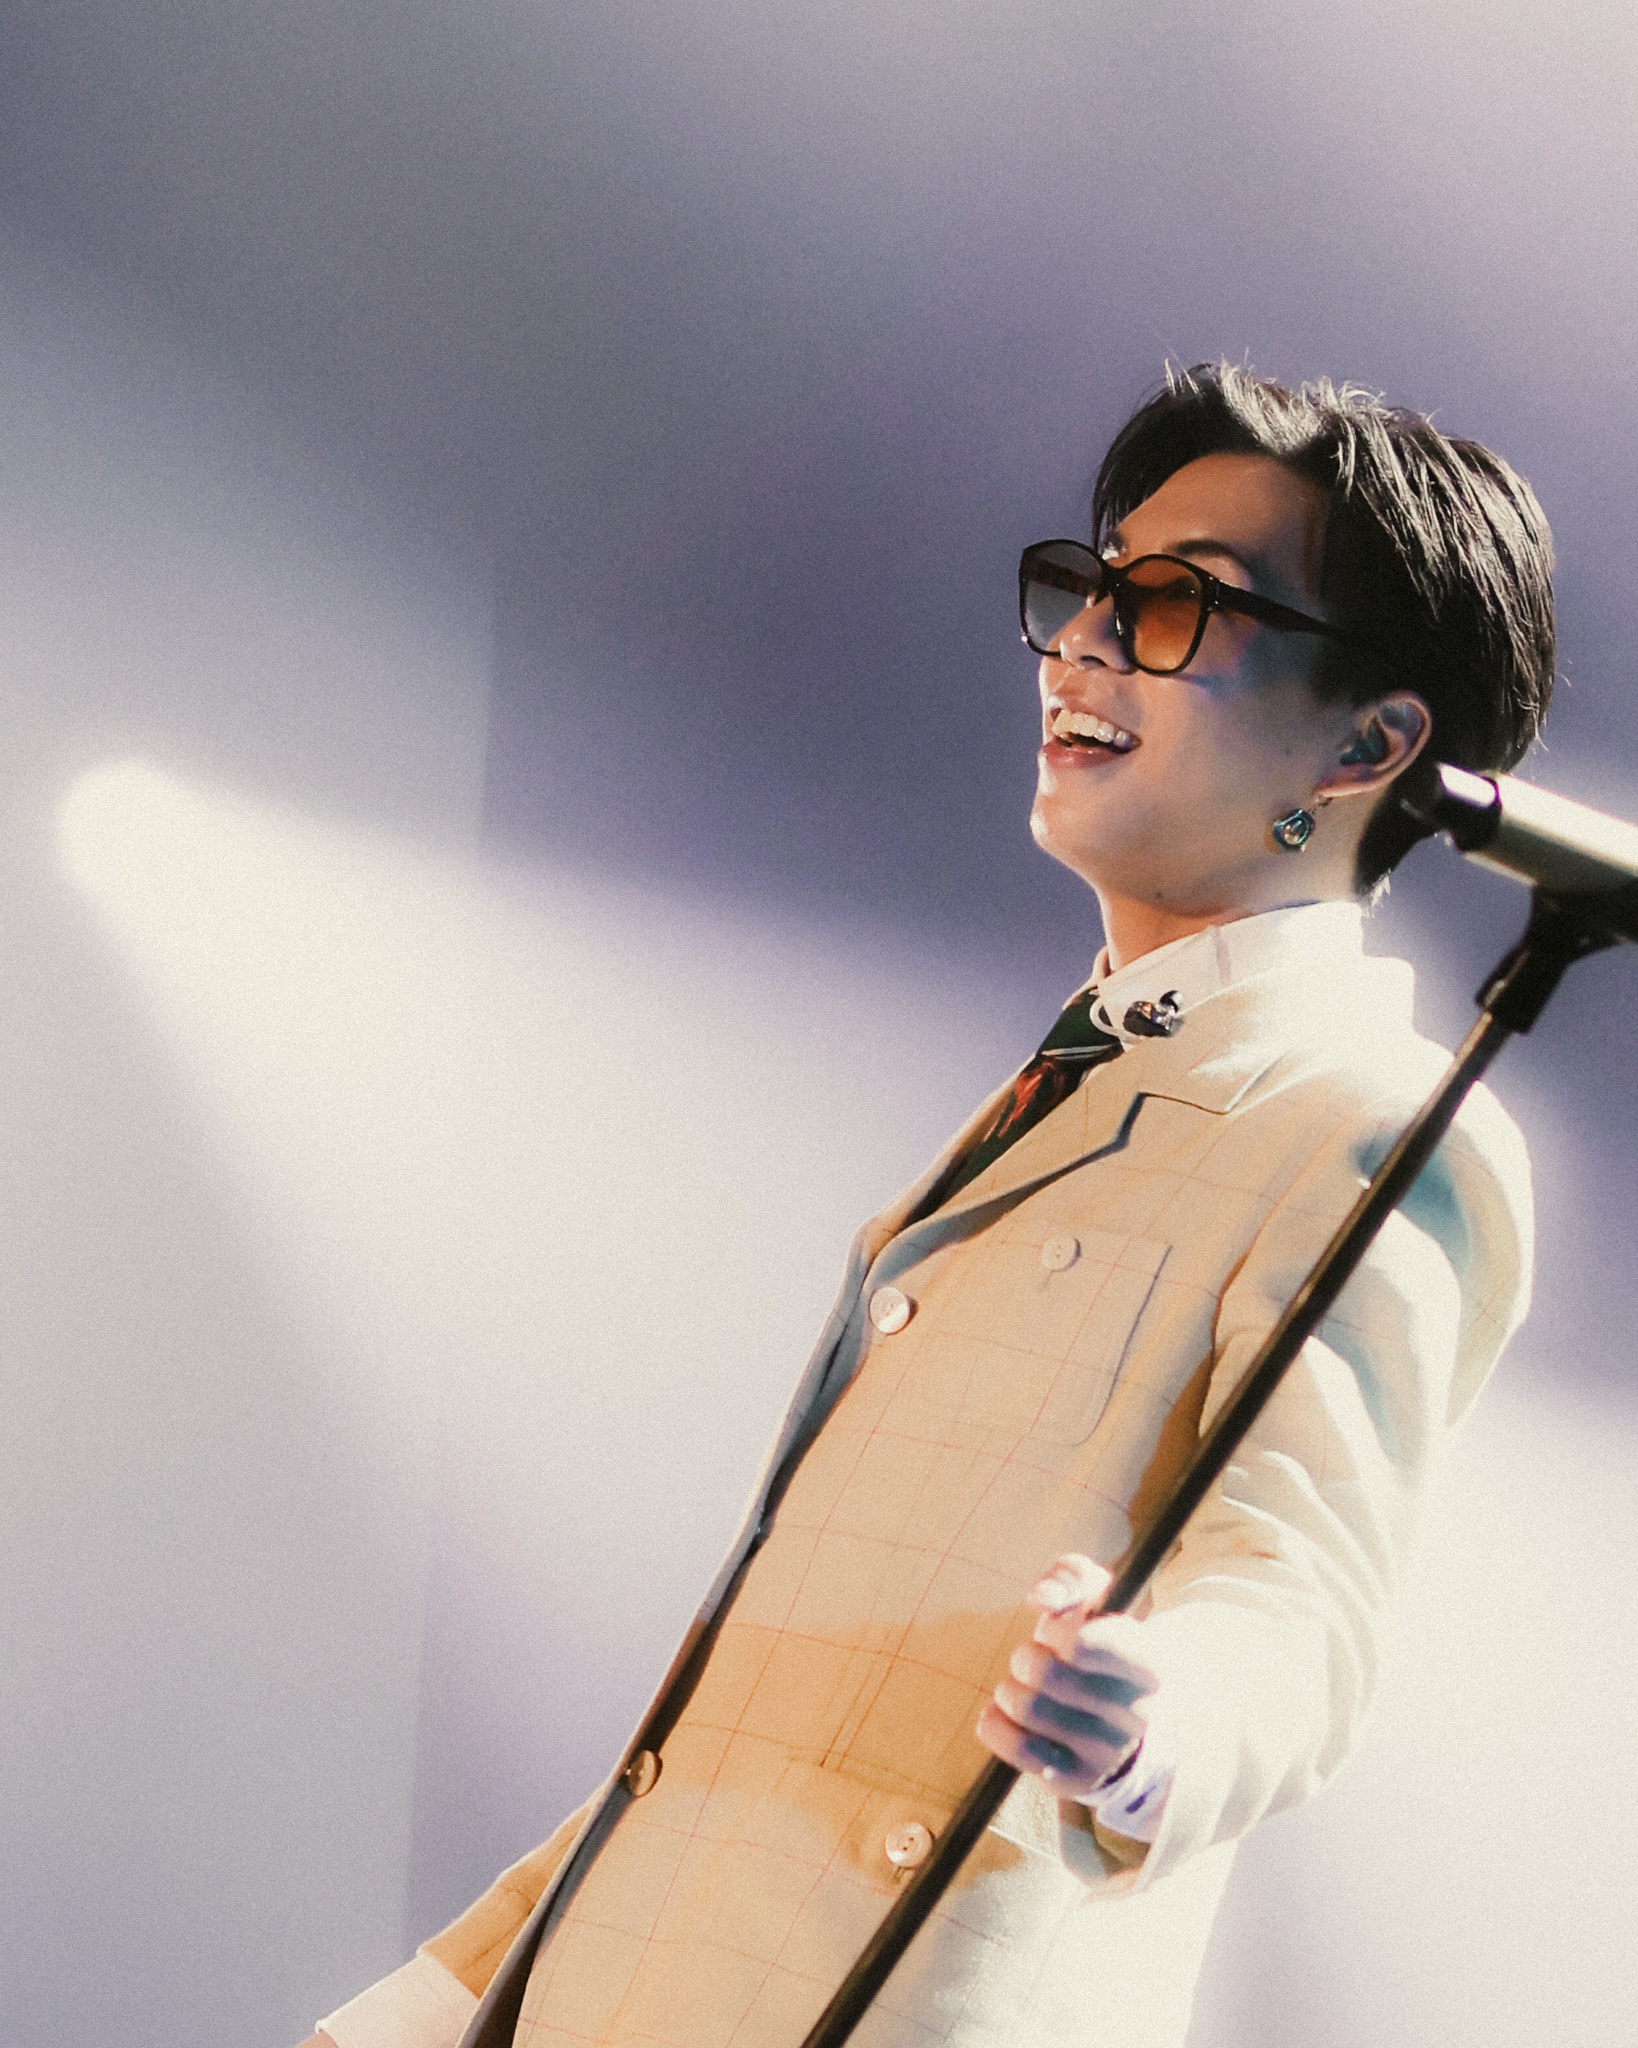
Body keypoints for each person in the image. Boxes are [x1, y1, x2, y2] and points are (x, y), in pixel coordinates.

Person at [300, 363, 1552, 2048]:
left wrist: (1152, 1711)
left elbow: (1301, 1600)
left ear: (1370, 741)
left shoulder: (1368, 1120)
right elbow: (731, 1729)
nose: (1085, 643)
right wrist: (426, 2012)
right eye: (1092, 588)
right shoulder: (1066, 1090)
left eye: (1174, 603)